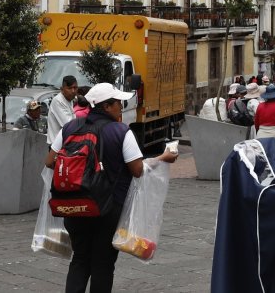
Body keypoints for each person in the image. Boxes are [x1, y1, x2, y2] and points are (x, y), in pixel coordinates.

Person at [45, 83, 178, 293]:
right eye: (118, 103)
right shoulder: (120, 131)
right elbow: (137, 169)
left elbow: (50, 161)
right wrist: (163, 158)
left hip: (73, 206)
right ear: (106, 106)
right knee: (103, 264)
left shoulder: (70, 127)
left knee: (80, 259)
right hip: (107, 209)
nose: (121, 107)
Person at [48, 75, 79, 141]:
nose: (73, 91)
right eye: (69, 88)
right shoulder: (58, 100)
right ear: (62, 89)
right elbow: (69, 125)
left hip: (65, 143)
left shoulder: (69, 99)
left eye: (75, 88)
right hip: (57, 146)